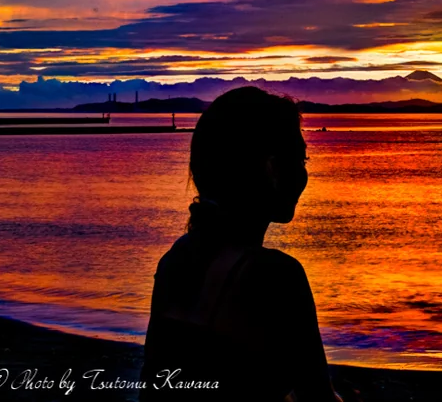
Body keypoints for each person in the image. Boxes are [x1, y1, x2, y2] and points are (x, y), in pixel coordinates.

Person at [140, 86, 342, 401]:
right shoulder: (276, 275)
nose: (304, 174)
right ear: (272, 169)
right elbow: (317, 397)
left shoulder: (177, 257)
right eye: (301, 159)